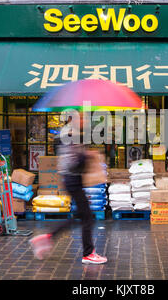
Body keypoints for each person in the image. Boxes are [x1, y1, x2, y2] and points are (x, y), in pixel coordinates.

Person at [29, 113, 107, 264]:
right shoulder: (71, 137)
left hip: (71, 180)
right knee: (88, 218)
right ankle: (88, 254)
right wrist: (87, 155)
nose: (84, 121)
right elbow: (73, 163)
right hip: (73, 180)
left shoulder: (68, 135)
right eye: (81, 118)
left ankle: (46, 238)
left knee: (80, 215)